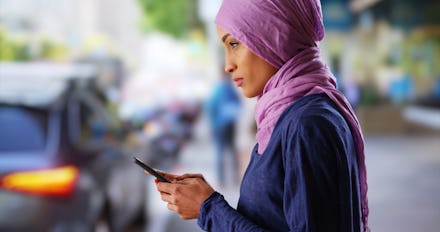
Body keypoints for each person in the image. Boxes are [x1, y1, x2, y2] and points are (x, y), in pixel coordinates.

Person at [152, 0, 369, 231]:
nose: (228, 65)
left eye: (234, 44)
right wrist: (204, 200)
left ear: (274, 36)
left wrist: (208, 209)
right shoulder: (288, 116)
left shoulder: (306, 124)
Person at [206, 70, 242, 187]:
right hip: (229, 125)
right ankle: (236, 178)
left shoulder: (216, 90)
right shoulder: (231, 89)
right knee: (232, 151)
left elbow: (210, 108)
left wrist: (212, 126)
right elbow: (238, 104)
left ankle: (221, 181)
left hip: (218, 126)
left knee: (220, 152)